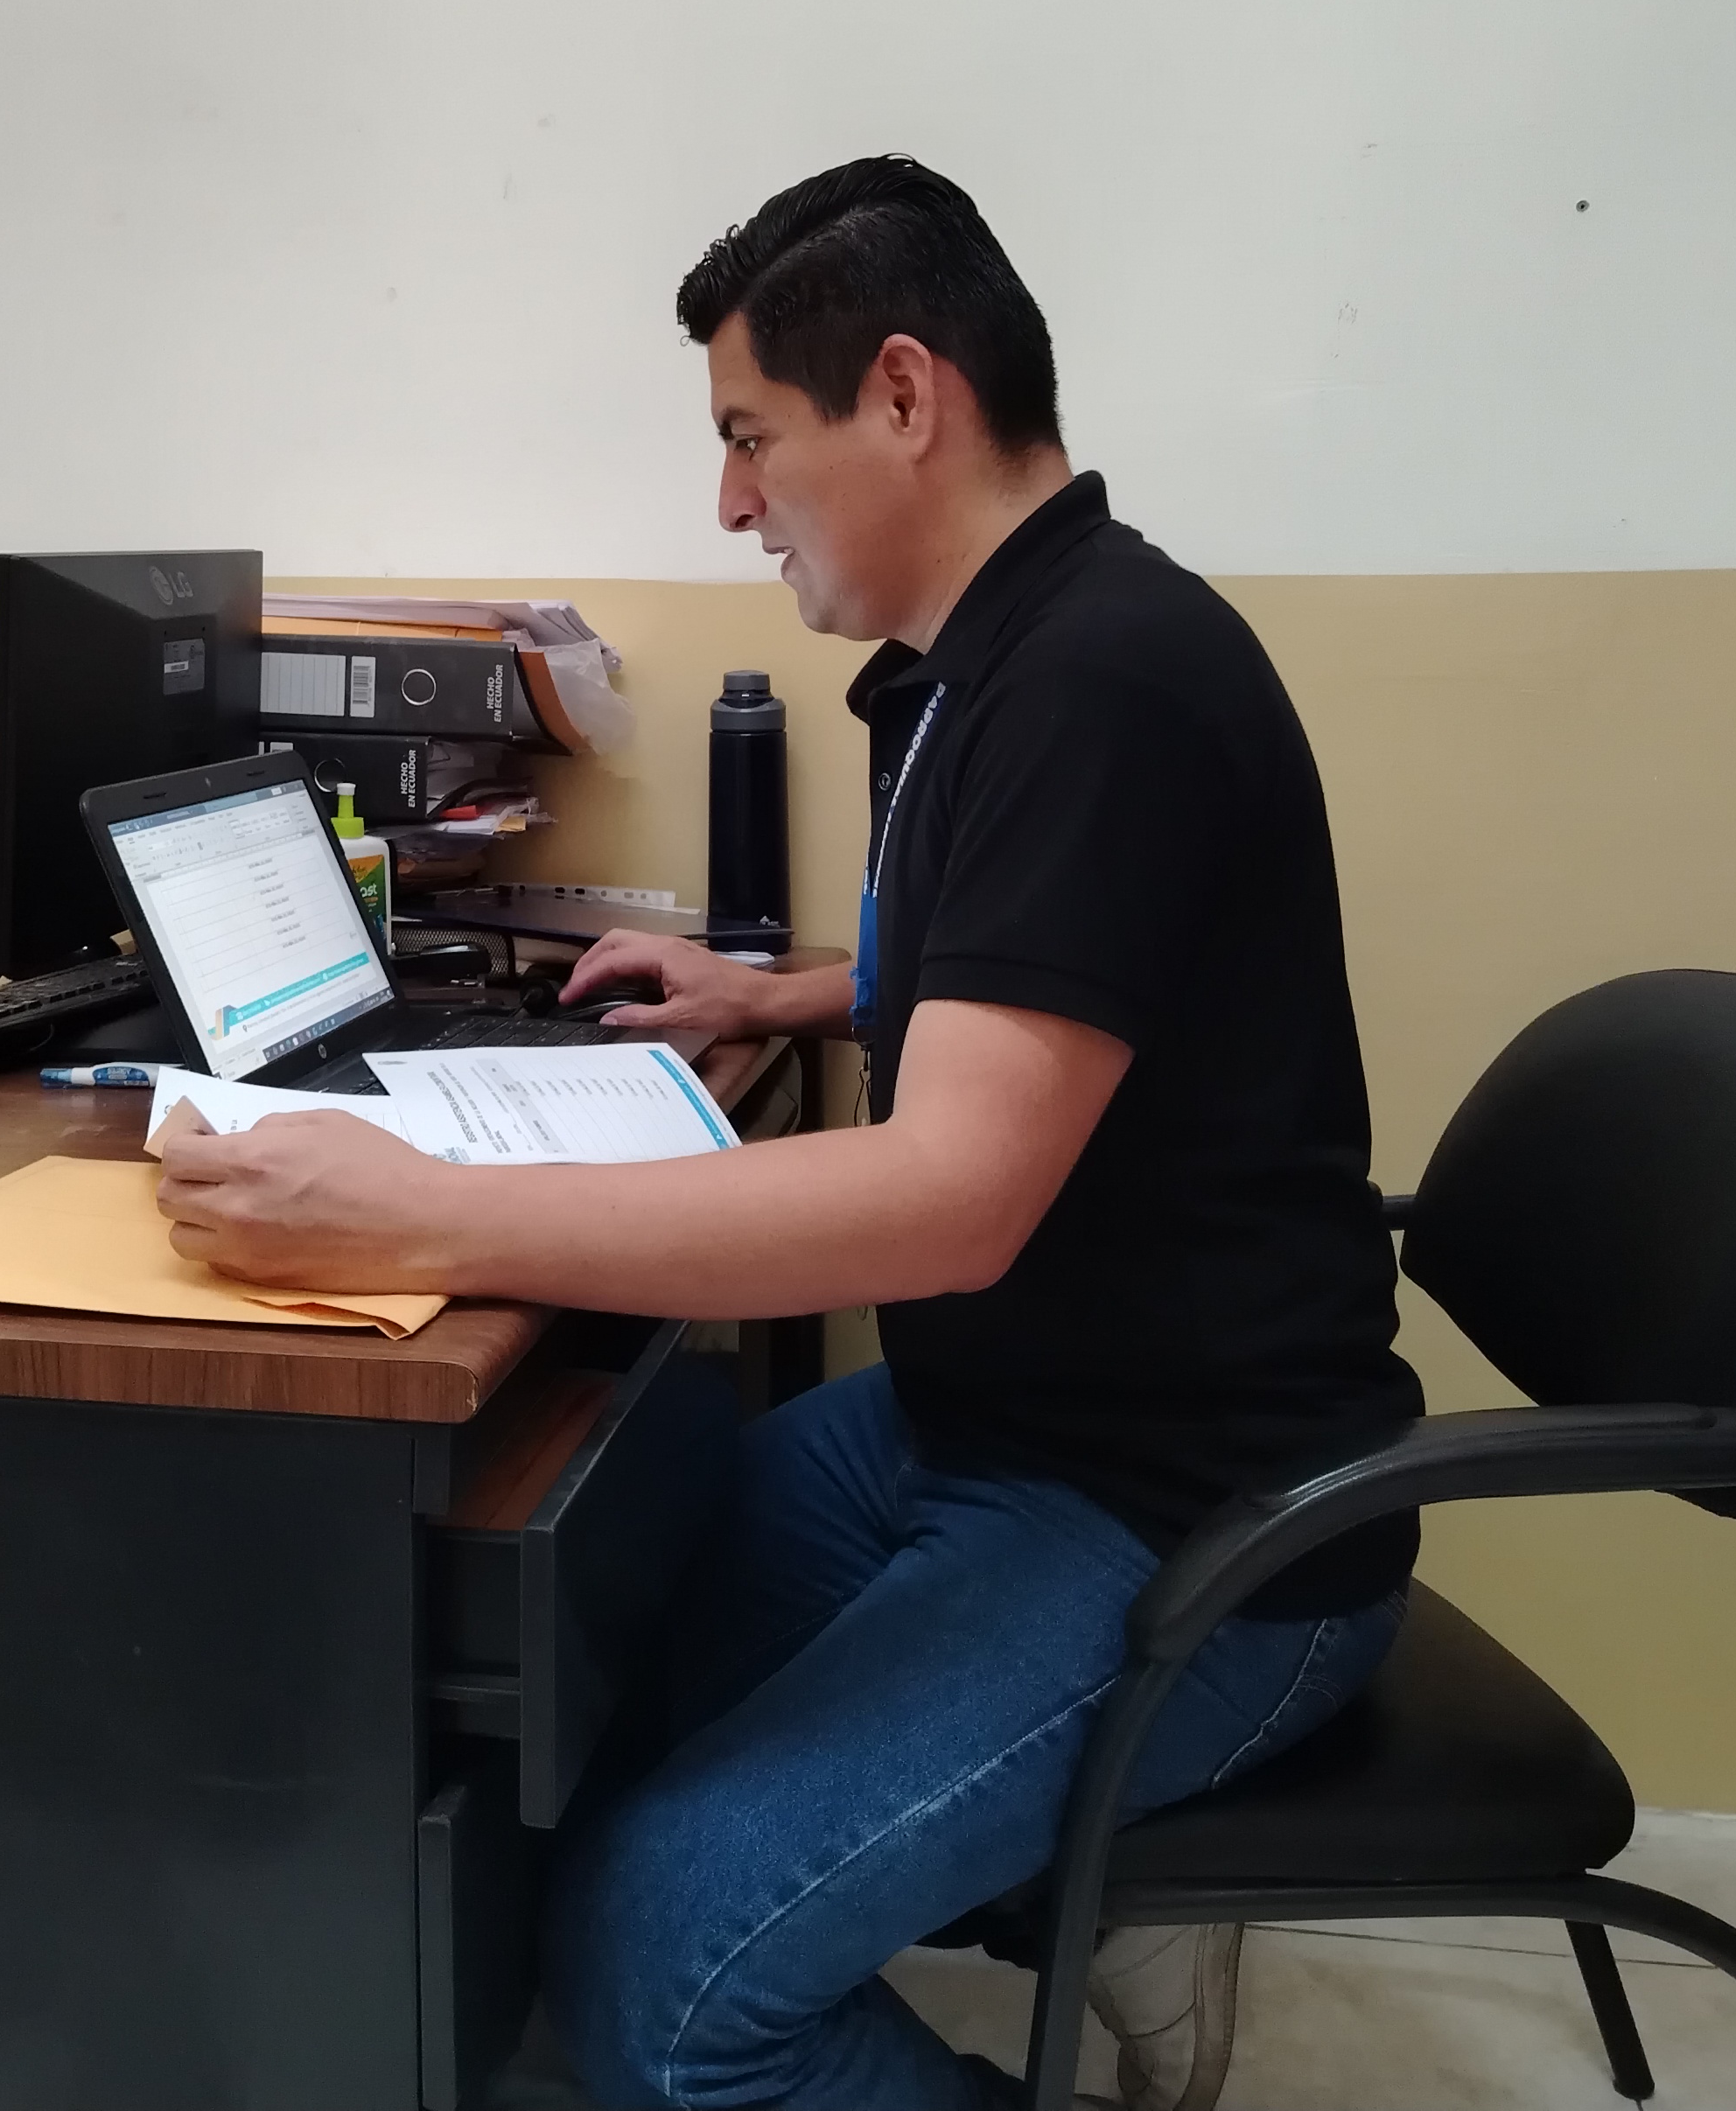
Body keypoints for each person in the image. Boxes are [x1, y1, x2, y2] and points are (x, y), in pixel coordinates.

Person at [155, 156, 1421, 2111]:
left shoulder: (1104, 682)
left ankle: (1037, 1873)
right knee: (608, 1634)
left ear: (903, 396)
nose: (731, 503)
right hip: (997, 1422)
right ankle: (1026, 1872)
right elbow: (1056, 971)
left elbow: (949, 1199)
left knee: (662, 1975)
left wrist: (423, 1214)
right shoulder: (999, 657)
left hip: (1192, 1516)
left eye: (749, 438)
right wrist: (795, 997)